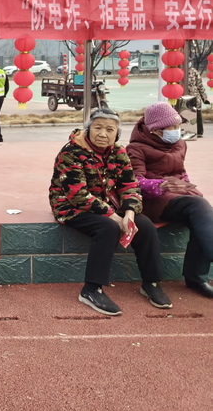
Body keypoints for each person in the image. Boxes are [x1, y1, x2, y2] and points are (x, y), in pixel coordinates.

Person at [49, 107, 172, 316]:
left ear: (117, 133)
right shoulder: (71, 152)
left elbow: (129, 185)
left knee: (144, 225)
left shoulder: (119, 152)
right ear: (88, 129)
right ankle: (91, 289)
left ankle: (151, 283)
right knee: (108, 228)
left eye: (109, 129)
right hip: (70, 205)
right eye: (97, 127)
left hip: (106, 202)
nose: (103, 134)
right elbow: (77, 195)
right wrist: (115, 217)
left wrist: (130, 213)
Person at [126, 102, 213, 298]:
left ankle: (196, 278)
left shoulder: (180, 144)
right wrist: (162, 185)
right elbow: (135, 182)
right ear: (155, 130)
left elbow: (181, 172)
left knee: (202, 214)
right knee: (198, 206)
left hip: (179, 197)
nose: (176, 131)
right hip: (154, 201)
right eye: (171, 127)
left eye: (178, 126)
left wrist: (186, 185)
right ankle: (198, 274)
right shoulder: (135, 148)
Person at [186, 66, 209, 137]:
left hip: (195, 96)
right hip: (183, 97)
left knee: (197, 114)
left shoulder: (194, 71)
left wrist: (204, 97)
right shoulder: (178, 71)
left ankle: (199, 132)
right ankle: (186, 131)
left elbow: (200, 86)